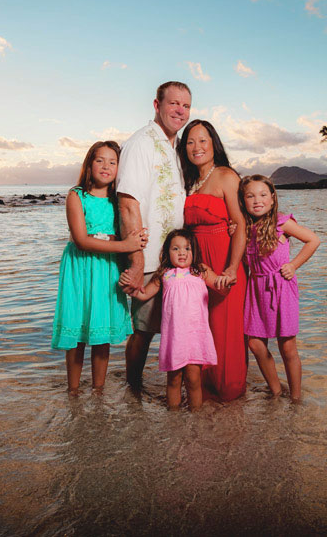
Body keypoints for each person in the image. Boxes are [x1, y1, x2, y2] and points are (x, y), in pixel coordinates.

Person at [52, 141, 148, 394]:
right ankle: (73, 391)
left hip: (107, 269)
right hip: (80, 269)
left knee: (100, 330)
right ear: (89, 164)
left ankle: (98, 392)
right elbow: (82, 241)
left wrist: (134, 244)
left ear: (120, 168)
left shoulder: (119, 200)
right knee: (79, 329)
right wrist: (125, 245)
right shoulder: (76, 195)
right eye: (100, 160)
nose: (106, 166)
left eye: (112, 162)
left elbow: (132, 230)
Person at [116, 81, 192, 391]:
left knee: (176, 329)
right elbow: (128, 202)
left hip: (174, 257)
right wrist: (136, 263)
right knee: (143, 332)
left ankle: (170, 393)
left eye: (185, 106)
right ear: (156, 105)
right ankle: (133, 391)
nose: (179, 110)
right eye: (173, 103)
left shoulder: (175, 149)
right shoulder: (142, 143)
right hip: (148, 258)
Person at [178, 119, 248, 401]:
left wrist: (232, 267)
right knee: (199, 327)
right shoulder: (187, 181)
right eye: (191, 142)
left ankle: (230, 396)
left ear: (214, 144)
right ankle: (203, 395)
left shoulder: (226, 176)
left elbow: (240, 224)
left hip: (223, 259)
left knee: (224, 328)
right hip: (197, 265)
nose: (197, 147)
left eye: (203, 140)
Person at [238, 174, 320, 402]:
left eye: (263, 195)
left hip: (281, 287)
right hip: (255, 289)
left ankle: (295, 398)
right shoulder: (244, 227)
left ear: (273, 199)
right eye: (250, 196)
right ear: (243, 200)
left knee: (287, 346)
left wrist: (293, 265)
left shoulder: (282, 222)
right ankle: (275, 391)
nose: (257, 200)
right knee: (254, 343)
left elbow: (313, 240)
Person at [131, 229, 228, 410]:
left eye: (187, 248)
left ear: (194, 251)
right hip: (174, 338)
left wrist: (227, 280)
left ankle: (196, 416)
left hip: (195, 336)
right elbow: (144, 294)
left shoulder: (200, 271)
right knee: (173, 379)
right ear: (167, 252)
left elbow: (220, 286)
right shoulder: (165, 274)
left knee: (193, 379)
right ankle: (173, 416)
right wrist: (131, 287)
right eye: (176, 249)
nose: (182, 252)